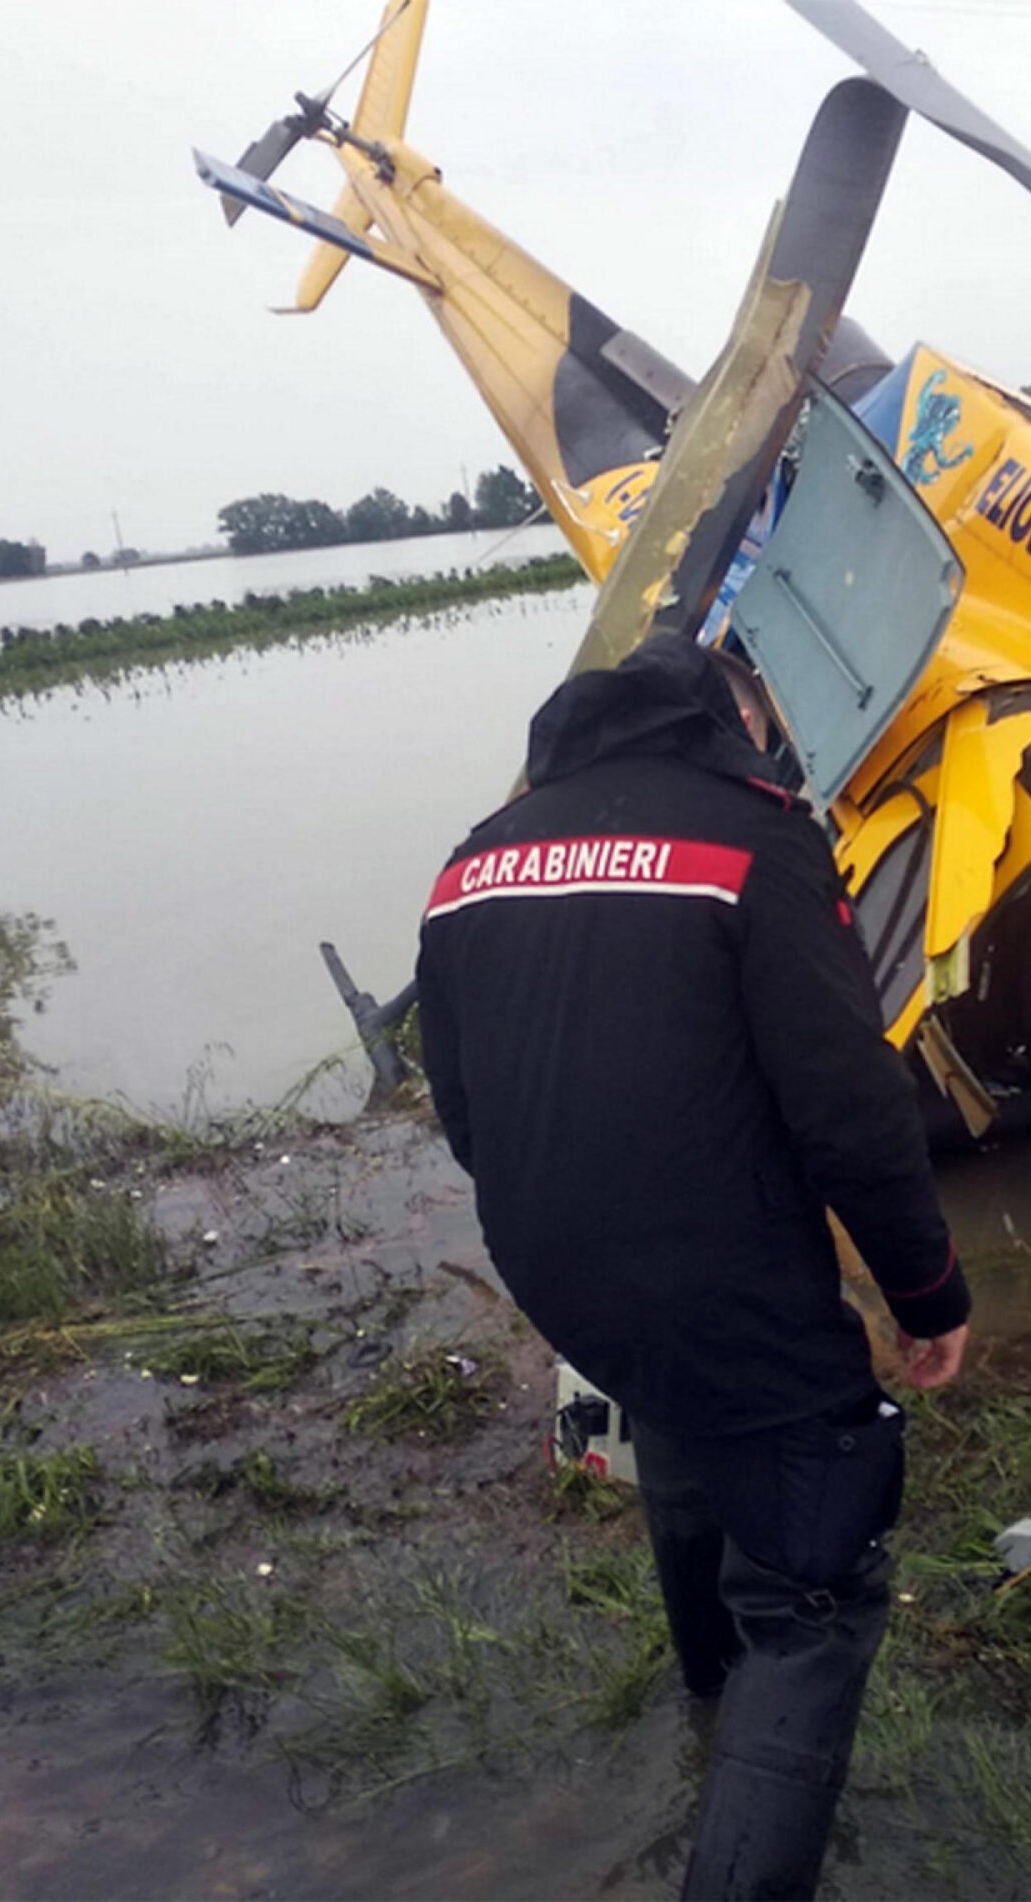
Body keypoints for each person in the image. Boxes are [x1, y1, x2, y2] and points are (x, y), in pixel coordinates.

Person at [415, 634, 970, 1900]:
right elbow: (849, 1108)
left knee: (682, 1411)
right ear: (726, 716)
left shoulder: (471, 863)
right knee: (817, 1586)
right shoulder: (751, 838)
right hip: (706, 1263)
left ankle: (716, 1713)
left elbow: (460, 1104)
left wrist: (567, 1215)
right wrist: (928, 1294)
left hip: (553, 1258)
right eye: (761, 716)